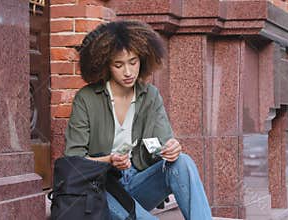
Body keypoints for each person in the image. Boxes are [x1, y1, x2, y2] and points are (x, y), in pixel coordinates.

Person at [65, 20, 212, 220]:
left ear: (142, 58)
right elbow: (74, 161)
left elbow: (161, 145)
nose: (128, 72)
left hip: (138, 182)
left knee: (183, 162)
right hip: (101, 188)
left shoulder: (150, 95)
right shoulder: (87, 98)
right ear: (105, 65)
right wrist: (109, 160)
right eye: (119, 65)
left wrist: (171, 149)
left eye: (133, 62)